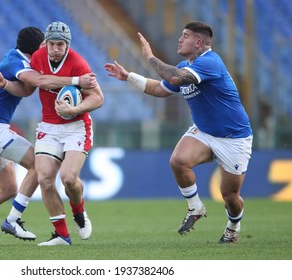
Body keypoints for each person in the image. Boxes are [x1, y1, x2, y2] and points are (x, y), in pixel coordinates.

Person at [0, 26, 97, 245]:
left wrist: (5, 84)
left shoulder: (17, 60)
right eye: (44, 44)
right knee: (39, 164)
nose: (47, 48)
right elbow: (40, 82)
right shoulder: (17, 62)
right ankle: (13, 220)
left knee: (8, 188)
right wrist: (76, 81)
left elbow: (25, 91)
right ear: (37, 47)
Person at [104, 21, 253, 244]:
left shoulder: (210, 62)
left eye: (185, 35)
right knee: (178, 160)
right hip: (204, 132)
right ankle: (195, 208)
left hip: (233, 137)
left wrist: (150, 57)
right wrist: (128, 77)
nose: (180, 39)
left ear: (199, 42)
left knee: (230, 196)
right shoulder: (186, 65)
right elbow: (159, 89)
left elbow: (174, 78)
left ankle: (233, 226)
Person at [0, 21, 104, 246]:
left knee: (69, 178)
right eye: (52, 44)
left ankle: (79, 212)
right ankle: (62, 235)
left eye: (60, 45)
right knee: (44, 177)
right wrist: (5, 85)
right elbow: (26, 89)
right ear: (46, 43)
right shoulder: (38, 58)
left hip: (76, 126)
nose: (55, 49)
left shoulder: (78, 63)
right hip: (49, 127)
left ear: (67, 45)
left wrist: (74, 109)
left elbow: (98, 97)